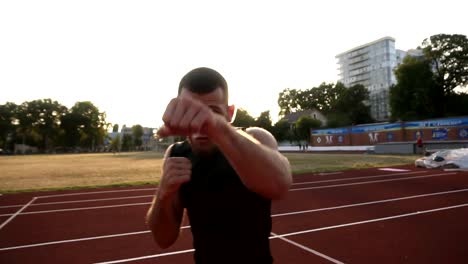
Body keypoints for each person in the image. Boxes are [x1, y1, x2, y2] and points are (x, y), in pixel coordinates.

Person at [145, 67, 292, 264]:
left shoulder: (255, 138)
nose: (200, 124)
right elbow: (163, 239)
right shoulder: (176, 154)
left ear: (230, 113)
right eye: (192, 112)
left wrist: (216, 127)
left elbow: (280, 184)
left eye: (212, 112)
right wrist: (163, 193)